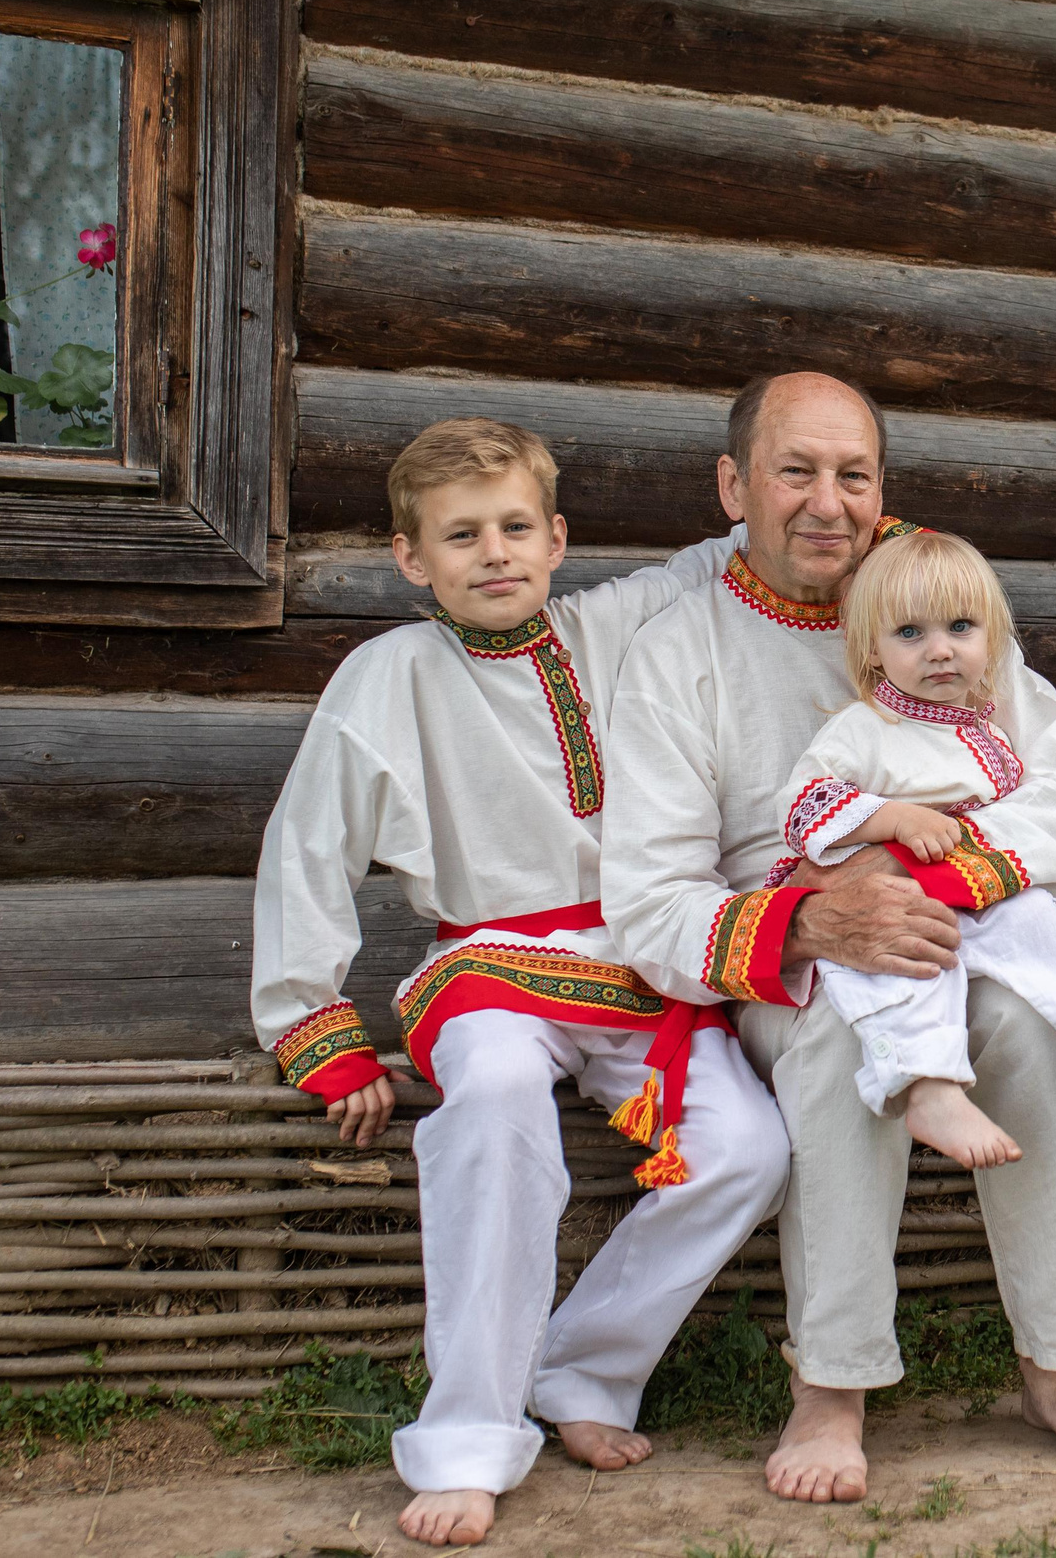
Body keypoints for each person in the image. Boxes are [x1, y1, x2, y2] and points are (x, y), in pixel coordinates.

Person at [599, 371, 1056, 1502]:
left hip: (968, 924)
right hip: (790, 953)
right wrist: (812, 920)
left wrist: (949, 874)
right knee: (834, 1049)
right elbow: (650, 902)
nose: (828, 502)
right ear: (732, 486)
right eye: (795, 471)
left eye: (852, 475)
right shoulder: (678, 652)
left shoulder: (943, 619)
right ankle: (833, 1385)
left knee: (1031, 1026)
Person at [250, 419, 788, 1548]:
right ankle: (466, 1436)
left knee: (747, 1147)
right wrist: (316, 1020)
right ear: (413, 558)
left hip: (638, 966)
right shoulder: (385, 675)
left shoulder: (609, 627)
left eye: (511, 529)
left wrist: (828, 501)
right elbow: (308, 846)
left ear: (554, 539)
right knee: (492, 1104)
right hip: (484, 969)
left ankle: (581, 1372)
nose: (491, 555)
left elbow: (712, 558)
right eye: (459, 536)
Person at [782, 526, 1056, 1168]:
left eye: (959, 627)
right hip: (888, 901)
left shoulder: (992, 726)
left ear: (992, 641)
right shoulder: (864, 730)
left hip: (979, 891)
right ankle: (929, 1088)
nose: (939, 651)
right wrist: (889, 816)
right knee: (918, 972)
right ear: (870, 652)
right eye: (910, 633)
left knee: (1049, 932)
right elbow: (803, 806)